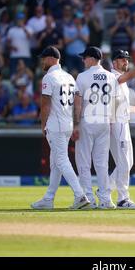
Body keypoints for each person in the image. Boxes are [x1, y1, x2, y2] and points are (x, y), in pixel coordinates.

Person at [31, 46, 90, 210]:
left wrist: (43, 124)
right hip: (67, 123)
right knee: (55, 161)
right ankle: (48, 198)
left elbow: (45, 104)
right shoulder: (69, 77)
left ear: (51, 58)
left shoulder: (48, 78)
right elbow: (77, 101)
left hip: (55, 124)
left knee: (61, 160)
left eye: (44, 58)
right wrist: (76, 122)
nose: (42, 61)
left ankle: (80, 195)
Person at [73, 46, 120, 209]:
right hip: (105, 121)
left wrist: (76, 124)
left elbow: (78, 104)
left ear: (92, 59)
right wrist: (112, 121)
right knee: (102, 163)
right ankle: (106, 200)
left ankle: (89, 199)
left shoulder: (82, 76)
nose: (83, 60)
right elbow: (115, 102)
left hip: (88, 120)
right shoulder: (110, 76)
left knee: (84, 162)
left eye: (85, 57)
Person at [108, 48, 135, 209]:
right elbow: (131, 75)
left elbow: (119, 104)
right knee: (124, 162)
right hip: (116, 124)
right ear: (114, 62)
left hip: (122, 122)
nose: (125, 61)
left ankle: (105, 190)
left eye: (126, 59)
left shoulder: (120, 80)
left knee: (127, 162)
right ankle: (122, 199)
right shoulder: (113, 76)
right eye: (121, 59)